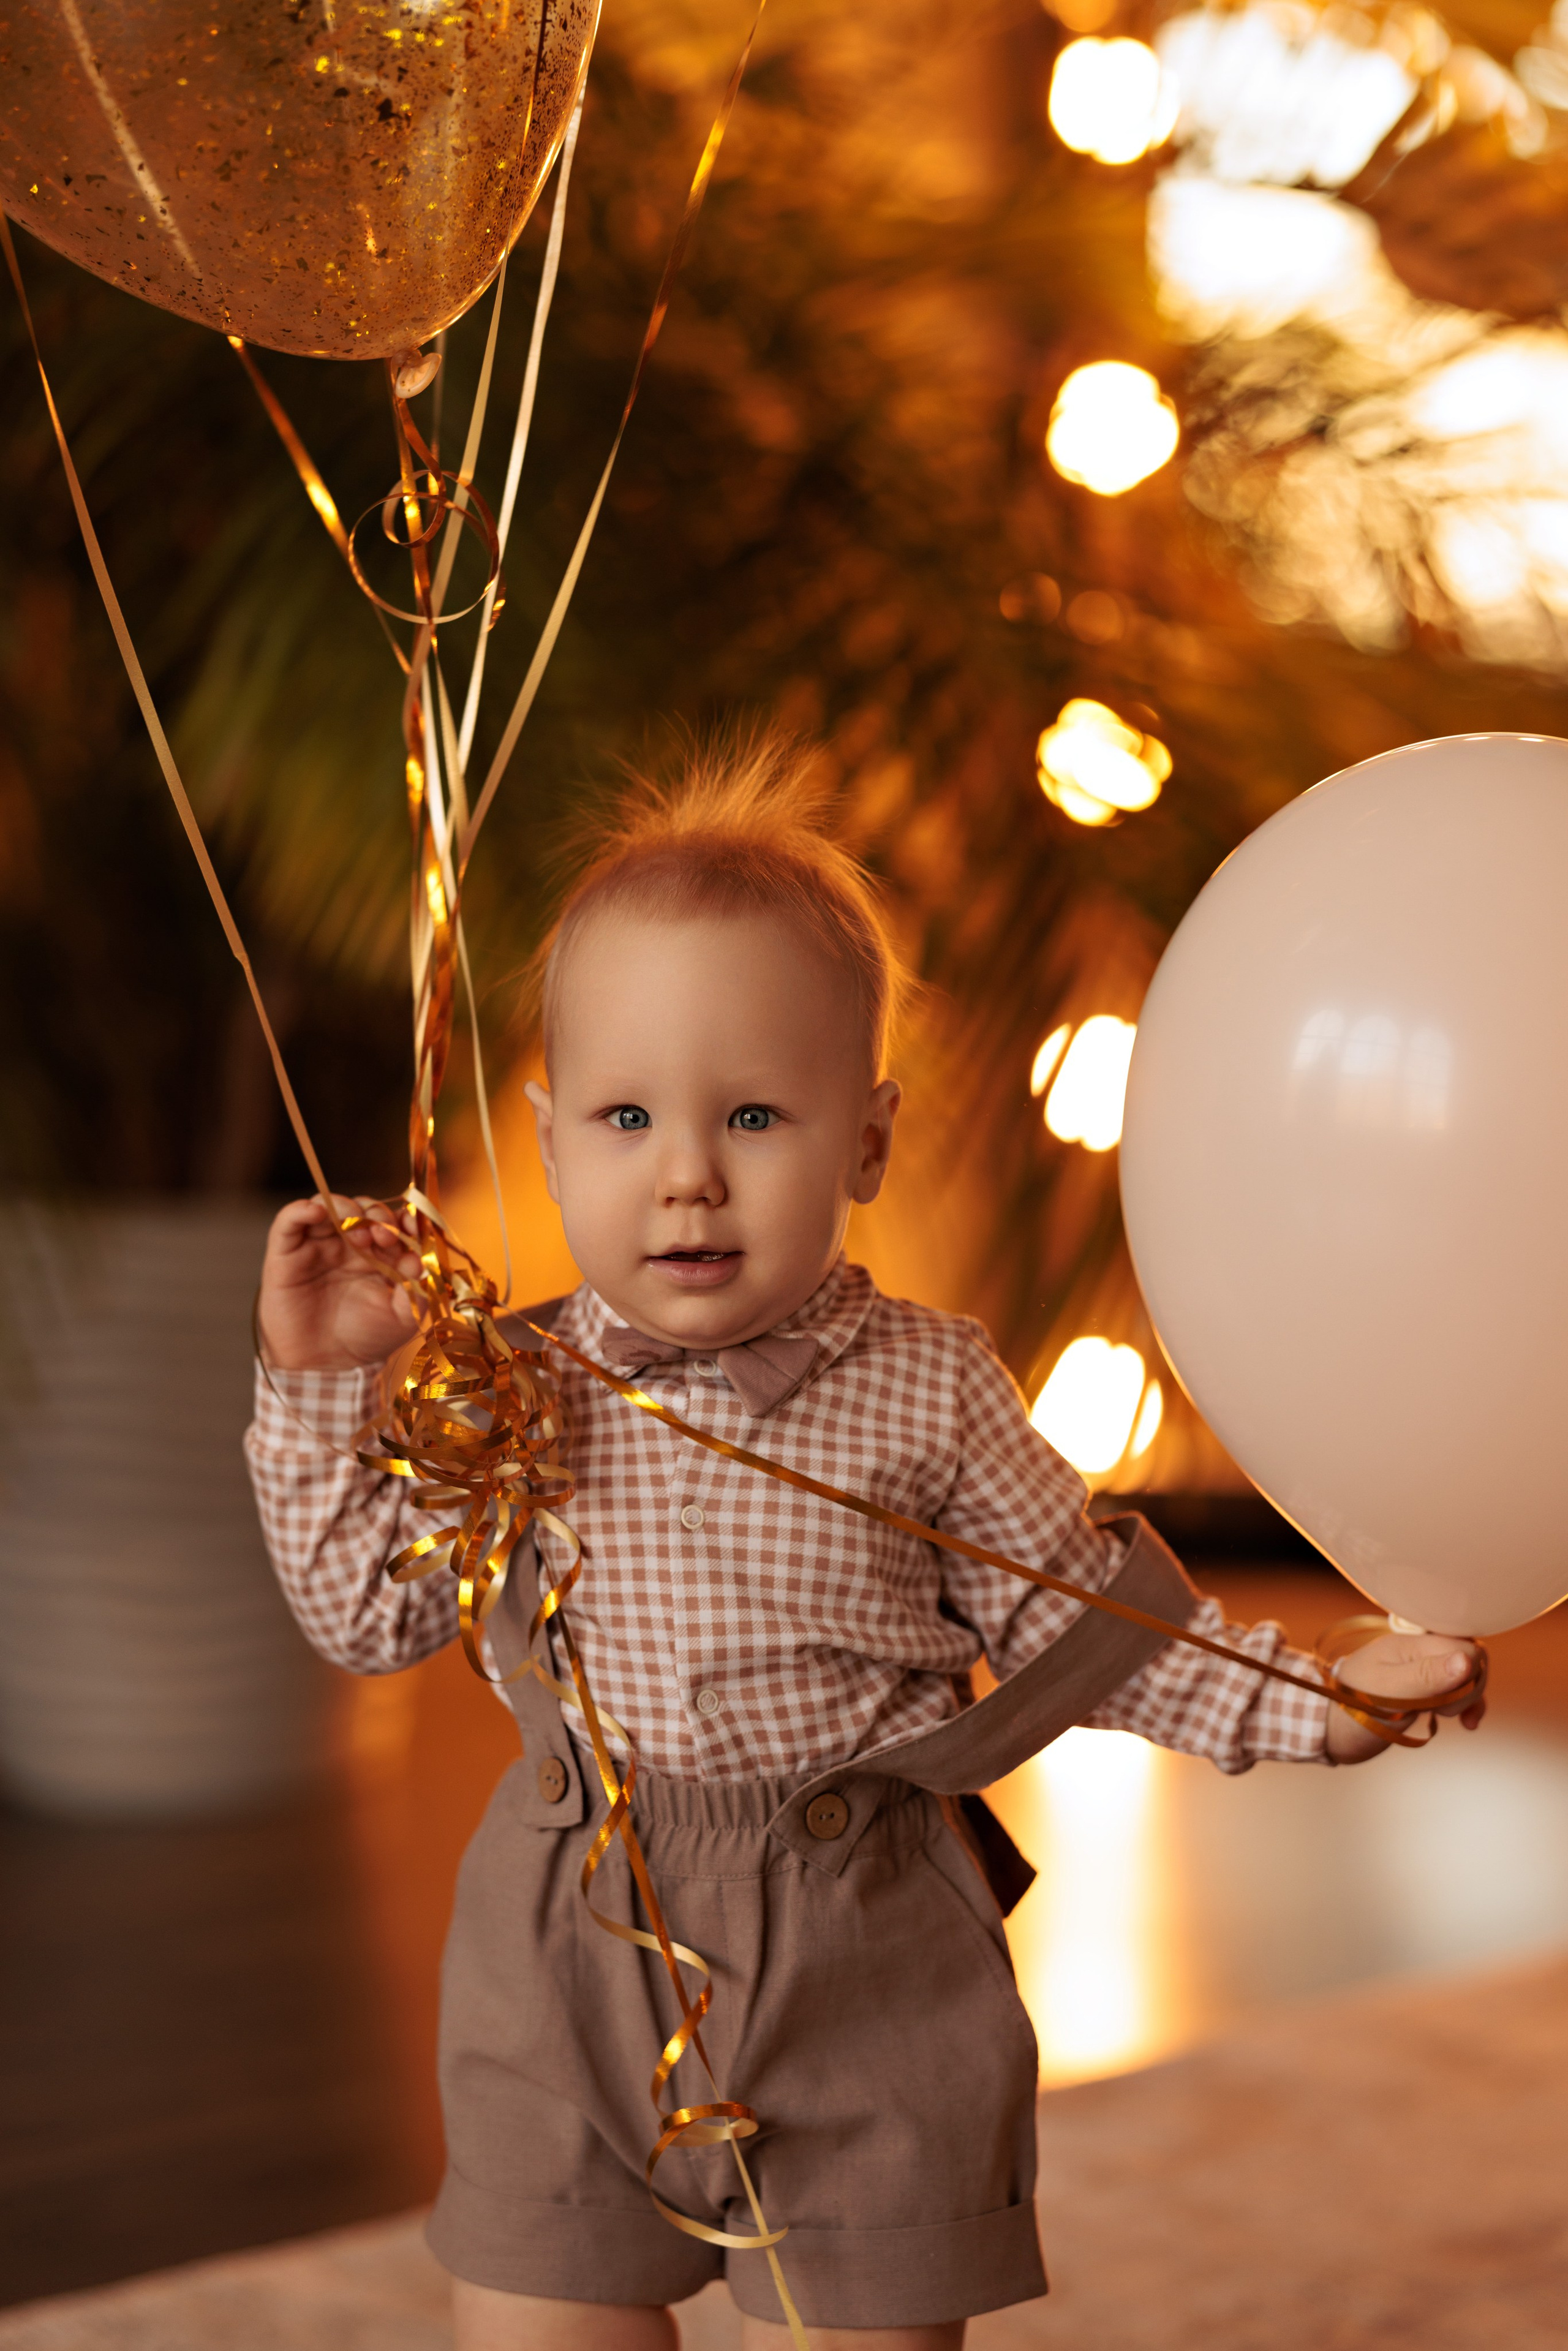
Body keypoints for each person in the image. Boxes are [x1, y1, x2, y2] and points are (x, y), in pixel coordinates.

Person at [246, 738, 1482, 2351]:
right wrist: (319, 1393)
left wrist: (1320, 1700)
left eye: (754, 1112)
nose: (688, 1170)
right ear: (549, 1145)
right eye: (627, 1117)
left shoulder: (937, 1390)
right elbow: (366, 1619)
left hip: (864, 1952)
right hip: (567, 1946)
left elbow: (1088, 1623)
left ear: (869, 1141)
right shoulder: (508, 1392)